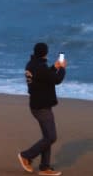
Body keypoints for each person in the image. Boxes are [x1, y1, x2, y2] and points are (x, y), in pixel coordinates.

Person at [17, 42, 66, 175]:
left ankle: (45, 168)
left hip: (37, 104)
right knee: (51, 137)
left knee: (47, 137)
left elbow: (44, 76)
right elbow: (56, 80)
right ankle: (26, 156)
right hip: (41, 107)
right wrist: (62, 68)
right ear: (45, 53)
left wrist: (54, 67)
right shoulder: (40, 67)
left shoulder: (32, 64)